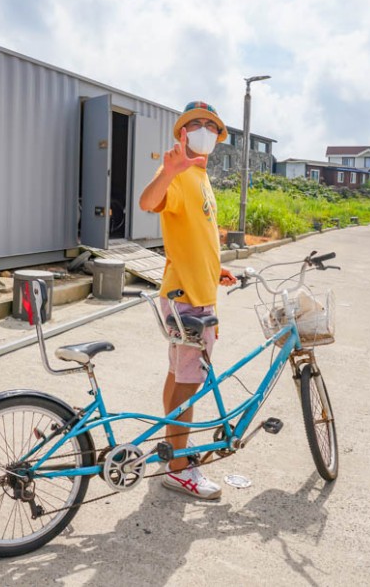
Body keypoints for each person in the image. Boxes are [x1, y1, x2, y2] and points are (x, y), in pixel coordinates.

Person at [139, 101, 238, 500]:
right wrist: (168, 171)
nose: (203, 130)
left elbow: (194, 236)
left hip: (195, 291)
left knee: (178, 376)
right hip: (187, 301)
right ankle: (179, 468)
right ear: (181, 133)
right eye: (194, 124)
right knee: (189, 383)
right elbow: (148, 202)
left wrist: (213, 270)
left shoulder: (200, 176)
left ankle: (171, 448)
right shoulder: (179, 174)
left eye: (210, 126)